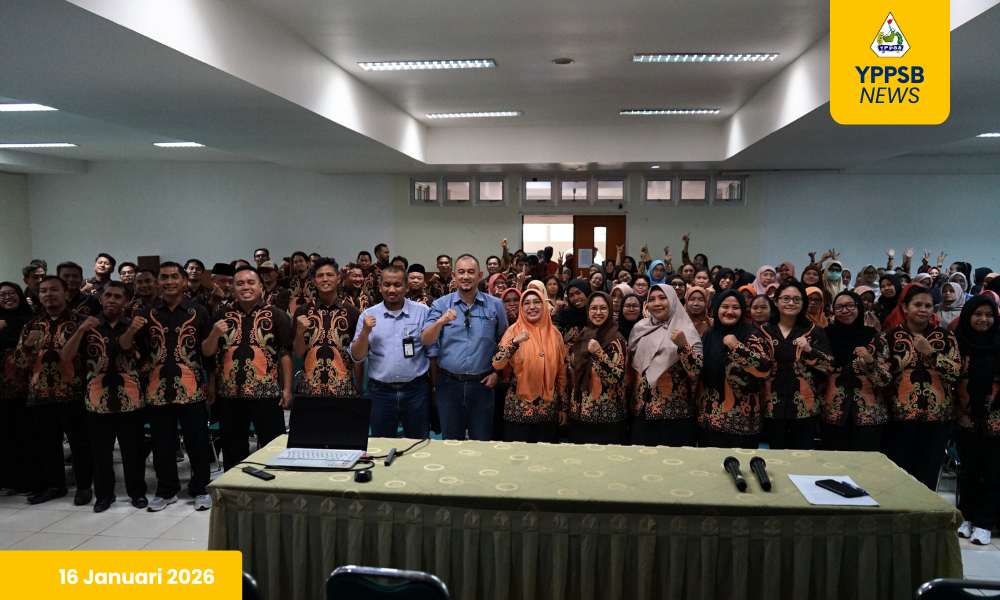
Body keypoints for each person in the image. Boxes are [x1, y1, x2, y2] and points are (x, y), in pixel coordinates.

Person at [122, 262, 213, 512]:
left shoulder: (199, 311)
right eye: (165, 277)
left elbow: (208, 354)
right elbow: (133, 351)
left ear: (184, 281)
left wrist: (212, 384)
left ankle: (200, 489)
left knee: (197, 442)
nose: (170, 281)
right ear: (158, 282)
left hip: (192, 388)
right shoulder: (145, 314)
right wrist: (131, 331)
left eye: (175, 276)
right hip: (157, 389)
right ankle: (166, 490)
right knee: (162, 444)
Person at [60, 282, 148, 511]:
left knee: (133, 452)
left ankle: (137, 492)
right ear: (100, 299)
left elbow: (144, 356)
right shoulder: (87, 325)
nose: (112, 300)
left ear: (126, 302)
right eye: (107, 295)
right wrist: (81, 330)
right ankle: (104, 495)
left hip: (130, 398)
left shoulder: (135, 325)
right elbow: (66, 357)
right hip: (96, 399)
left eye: (118, 296)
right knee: (100, 453)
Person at [13, 276, 94, 505]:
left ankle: (84, 486)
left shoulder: (82, 322)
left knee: (80, 444)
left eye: (54, 289)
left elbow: (93, 358)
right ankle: (56, 486)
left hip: (74, 394)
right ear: (38, 296)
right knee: (48, 445)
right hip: (40, 395)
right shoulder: (31, 325)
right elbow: (20, 363)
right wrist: (27, 345)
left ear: (66, 294)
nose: (48, 294)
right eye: (43, 291)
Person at [203, 266, 293, 472]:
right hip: (230, 396)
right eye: (240, 283)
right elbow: (207, 352)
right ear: (233, 288)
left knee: (273, 449)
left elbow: (286, 354)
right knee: (233, 452)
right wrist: (214, 334)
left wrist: (287, 389)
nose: (246, 287)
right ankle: (235, 487)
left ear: (261, 287)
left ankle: (273, 486)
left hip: (267, 395)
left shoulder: (277, 315)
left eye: (251, 282)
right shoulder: (221, 315)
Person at [881, 284, 962, 490]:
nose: (923, 309)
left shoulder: (946, 336)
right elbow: (882, 377)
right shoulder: (889, 336)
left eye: (928, 305)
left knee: (927, 474)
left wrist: (931, 353)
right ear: (905, 307)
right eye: (917, 305)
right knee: (899, 474)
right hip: (900, 417)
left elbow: (955, 373)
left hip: (937, 417)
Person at [421, 255, 508, 441]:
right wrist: (441, 321)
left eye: (471, 272)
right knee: (451, 441)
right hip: (449, 385)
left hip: (482, 385)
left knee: (481, 440)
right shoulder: (440, 305)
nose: (466, 276)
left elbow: (504, 344)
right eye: (461, 272)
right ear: (454, 276)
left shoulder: (495, 305)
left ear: (480, 275)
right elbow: (426, 339)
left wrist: (497, 373)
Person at [351, 266, 431, 439]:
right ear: (380, 286)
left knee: (418, 443)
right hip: (380, 392)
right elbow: (357, 356)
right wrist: (365, 332)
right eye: (387, 284)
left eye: (397, 285)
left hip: (416, 391)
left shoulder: (422, 312)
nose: (392, 290)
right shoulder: (368, 315)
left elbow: (432, 351)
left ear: (406, 287)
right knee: (382, 444)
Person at [757, 280, 834, 450]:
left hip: (805, 407)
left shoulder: (814, 331)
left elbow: (829, 365)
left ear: (803, 304)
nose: (791, 303)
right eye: (785, 298)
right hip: (773, 405)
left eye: (796, 299)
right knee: (777, 455)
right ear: (776, 302)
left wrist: (809, 350)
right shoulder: (763, 331)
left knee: (802, 455)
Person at [628, 284, 703, 447]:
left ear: (673, 300)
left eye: (662, 298)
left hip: (675, 417)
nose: (657, 303)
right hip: (641, 414)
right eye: (652, 299)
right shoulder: (640, 328)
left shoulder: (686, 330)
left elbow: (696, 371)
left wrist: (683, 346)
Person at [697, 289, 771, 449]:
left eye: (736, 308)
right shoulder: (709, 334)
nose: (730, 312)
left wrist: (737, 347)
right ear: (717, 309)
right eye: (725, 307)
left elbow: (764, 368)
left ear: (743, 310)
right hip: (710, 420)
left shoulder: (753, 335)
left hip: (743, 422)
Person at [491, 289, 567, 443]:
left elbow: (561, 372)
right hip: (518, 409)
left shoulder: (555, 334)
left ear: (544, 305)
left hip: (548, 410)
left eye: (536, 302)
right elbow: (497, 363)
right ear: (521, 307)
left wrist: (563, 407)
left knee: (546, 456)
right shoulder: (513, 331)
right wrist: (514, 343)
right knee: (518, 455)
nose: (532, 307)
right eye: (526, 303)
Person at [954, 295, 1000, 545]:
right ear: (968, 316)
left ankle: (984, 523)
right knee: (968, 472)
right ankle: (967, 517)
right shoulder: (957, 344)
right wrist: (959, 414)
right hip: (966, 419)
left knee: (993, 474)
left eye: (989, 315)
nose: (984, 319)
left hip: (996, 421)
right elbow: (947, 382)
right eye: (978, 314)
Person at [821, 291, 890, 451]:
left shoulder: (875, 338)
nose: (845, 311)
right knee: (834, 462)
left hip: (869, 416)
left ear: (859, 307)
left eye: (850, 305)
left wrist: (871, 362)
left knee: (864, 464)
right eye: (839, 307)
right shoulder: (826, 336)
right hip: (834, 413)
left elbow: (885, 380)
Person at [294, 258, 363, 398]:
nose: (325, 279)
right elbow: (299, 354)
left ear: (338, 279)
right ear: (314, 281)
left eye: (330, 275)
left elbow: (357, 355)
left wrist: (360, 386)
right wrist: (300, 332)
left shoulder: (352, 312)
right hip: (309, 390)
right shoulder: (302, 311)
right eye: (320, 276)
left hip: (343, 390)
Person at [567, 292, 628, 444]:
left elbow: (617, 377)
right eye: (593, 308)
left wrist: (598, 353)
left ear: (610, 311)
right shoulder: (582, 337)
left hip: (608, 419)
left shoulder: (617, 339)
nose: (598, 312)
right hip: (579, 416)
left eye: (603, 308)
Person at [0, 282, 43, 496]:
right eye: (2, 295)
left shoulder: (32, 321)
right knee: (6, 435)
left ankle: (31, 481)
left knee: (28, 435)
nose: (8, 297)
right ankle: (10, 480)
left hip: (29, 387)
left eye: (12, 293)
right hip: (2, 390)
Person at [493, 288, 521, 440]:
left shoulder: (529, 324)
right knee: (497, 428)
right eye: (507, 300)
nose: (512, 304)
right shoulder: (495, 322)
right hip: (498, 383)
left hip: (520, 386)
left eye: (516, 300)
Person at [552, 279, 592, 349]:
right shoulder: (563, 316)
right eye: (571, 295)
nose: (575, 298)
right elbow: (552, 339)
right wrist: (554, 312)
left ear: (586, 292)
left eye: (578, 293)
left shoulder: (595, 314)